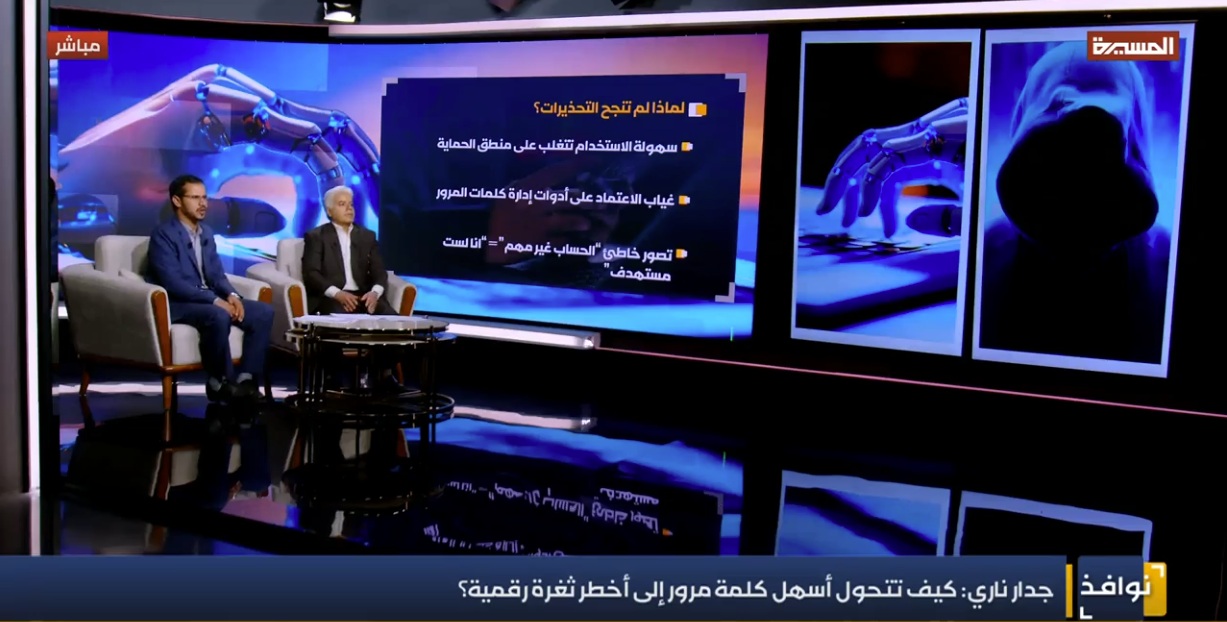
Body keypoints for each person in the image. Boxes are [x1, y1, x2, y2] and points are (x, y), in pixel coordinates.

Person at [146, 174, 274, 402]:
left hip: (208, 299)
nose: (203, 203)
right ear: (177, 201)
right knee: (218, 315)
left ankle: (246, 380)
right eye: (195, 198)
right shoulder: (163, 235)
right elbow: (173, 283)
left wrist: (232, 295)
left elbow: (216, 275)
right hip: (179, 303)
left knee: (263, 312)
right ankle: (220, 382)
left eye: (204, 197)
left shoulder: (206, 233)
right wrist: (215, 300)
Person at [302, 185, 405, 393]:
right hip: (333, 296)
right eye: (342, 204)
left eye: (351, 204)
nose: (349, 209)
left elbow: (380, 273)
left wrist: (375, 293)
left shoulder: (367, 236)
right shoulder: (316, 236)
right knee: (333, 320)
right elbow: (311, 274)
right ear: (329, 210)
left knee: (395, 323)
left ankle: (383, 374)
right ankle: (334, 378)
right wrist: (338, 294)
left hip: (364, 296)